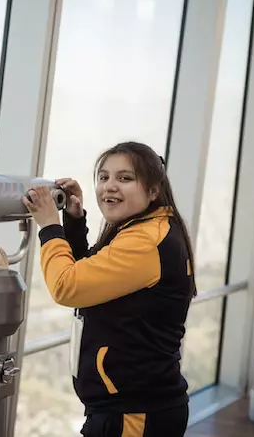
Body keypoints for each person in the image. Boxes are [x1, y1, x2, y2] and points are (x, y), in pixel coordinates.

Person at [23, 141, 196, 437]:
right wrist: (75, 221)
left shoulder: (144, 242)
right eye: (104, 177)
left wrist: (49, 226)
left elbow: (67, 286)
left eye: (125, 178)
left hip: (133, 414)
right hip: (132, 407)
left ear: (154, 190)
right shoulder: (148, 229)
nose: (110, 186)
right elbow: (94, 276)